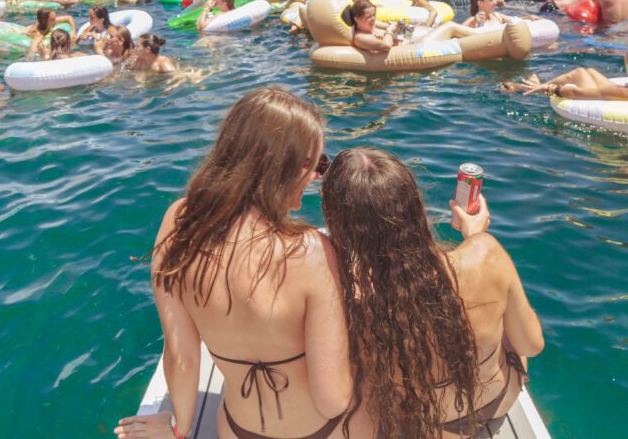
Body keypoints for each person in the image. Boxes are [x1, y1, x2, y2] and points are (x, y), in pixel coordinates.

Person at [114, 87, 352, 439]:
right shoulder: (312, 251)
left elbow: (181, 357)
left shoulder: (179, 223)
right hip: (322, 430)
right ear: (276, 167)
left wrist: (179, 430)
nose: (318, 176)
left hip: (238, 430)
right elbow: (333, 401)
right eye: (313, 164)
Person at [321, 148, 544, 438]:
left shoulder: (353, 300)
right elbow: (531, 346)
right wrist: (477, 237)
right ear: (415, 207)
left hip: (423, 427)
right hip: (497, 401)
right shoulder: (487, 253)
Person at [504, 54, 628, 99]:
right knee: (590, 71)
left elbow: (575, 93)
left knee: (578, 73)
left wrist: (548, 88)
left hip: (606, 101)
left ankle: (530, 88)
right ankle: (536, 86)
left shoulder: (619, 91)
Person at [463, 0, 539, 28]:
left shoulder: (497, 16)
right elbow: (456, 30)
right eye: (491, 0)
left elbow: (516, 20)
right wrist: (474, 22)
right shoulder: (472, 20)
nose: (494, 2)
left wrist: (529, 17)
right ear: (480, 3)